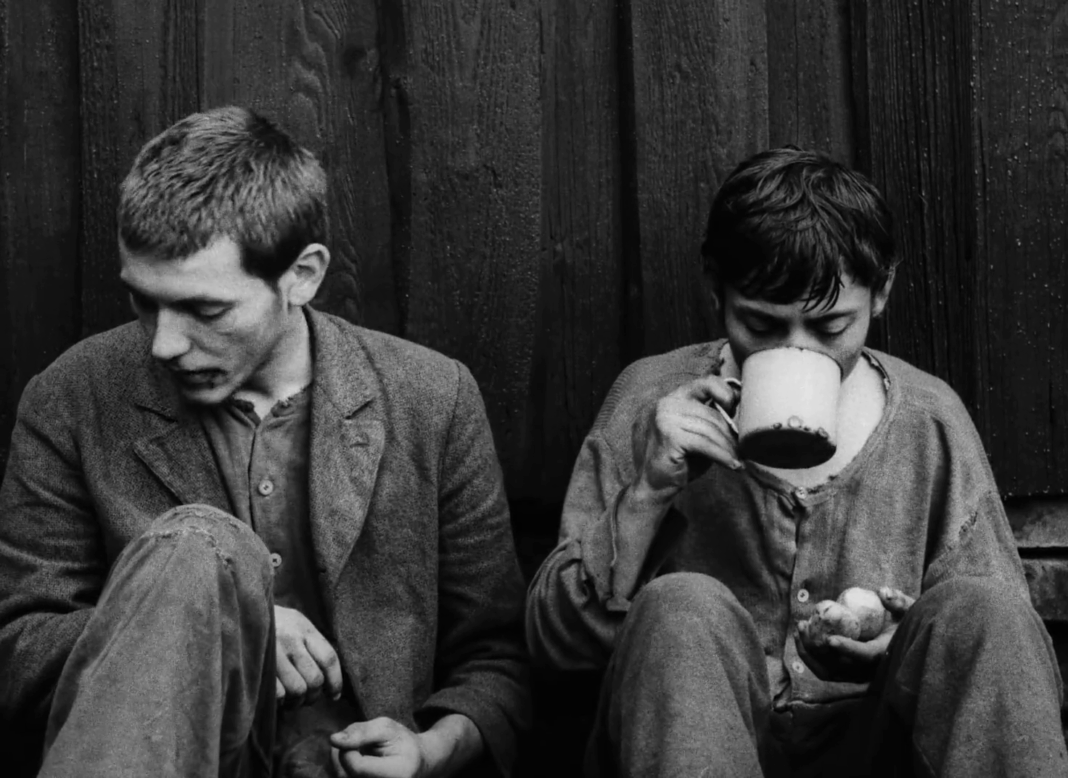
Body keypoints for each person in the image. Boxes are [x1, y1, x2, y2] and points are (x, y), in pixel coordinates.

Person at [0, 106, 530, 778]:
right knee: (195, 549)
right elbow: (17, 653)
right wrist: (226, 630)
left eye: (205, 309)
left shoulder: (432, 396)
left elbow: (497, 659)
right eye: (143, 301)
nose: (164, 343)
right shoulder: (72, 396)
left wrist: (432, 750)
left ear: (302, 275)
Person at [525, 147, 1067, 777]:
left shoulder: (930, 422)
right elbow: (553, 652)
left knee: (987, 611)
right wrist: (647, 493)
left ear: (882, 292)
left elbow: (1007, 668)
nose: (796, 350)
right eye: (761, 325)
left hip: (879, 750)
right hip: (696, 746)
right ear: (716, 289)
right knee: (680, 607)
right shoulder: (651, 403)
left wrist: (900, 647)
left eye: (831, 328)